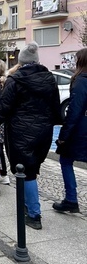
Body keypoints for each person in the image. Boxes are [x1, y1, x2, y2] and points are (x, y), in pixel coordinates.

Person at [0, 42, 61, 229]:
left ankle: (34, 214)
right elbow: (56, 109)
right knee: (32, 169)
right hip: (43, 132)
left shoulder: (15, 80)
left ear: (21, 61)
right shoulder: (50, 79)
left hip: (21, 131)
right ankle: (28, 206)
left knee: (25, 173)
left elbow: (3, 108)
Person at [53, 48, 87, 214]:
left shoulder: (81, 81)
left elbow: (74, 110)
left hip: (80, 130)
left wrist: (63, 136)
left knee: (66, 161)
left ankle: (71, 199)